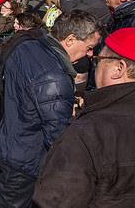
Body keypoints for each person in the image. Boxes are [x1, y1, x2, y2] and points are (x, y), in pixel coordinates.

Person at [0, 10, 102, 207]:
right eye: (89, 47)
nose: (91, 54)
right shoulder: (54, 77)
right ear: (70, 40)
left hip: (13, 142)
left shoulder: (28, 47)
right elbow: (58, 134)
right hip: (29, 158)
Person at [33, 27, 135, 207]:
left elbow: (55, 201)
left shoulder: (89, 131)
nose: (94, 67)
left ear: (119, 68)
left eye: (99, 60)